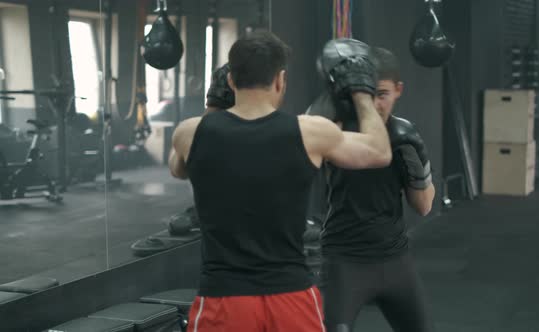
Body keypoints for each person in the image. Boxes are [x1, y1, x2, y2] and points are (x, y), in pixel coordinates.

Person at [168, 31, 392, 332]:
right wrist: (362, 93)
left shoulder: (189, 133)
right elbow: (379, 152)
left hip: (223, 300)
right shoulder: (311, 132)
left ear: (231, 81)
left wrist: (215, 106)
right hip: (291, 298)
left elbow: (180, 168)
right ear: (280, 80)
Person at [318, 47, 436, 332]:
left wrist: (417, 165)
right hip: (345, 263)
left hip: (396, 261)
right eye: (368, 96)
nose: (374, 105)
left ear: (398, 90)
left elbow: (423, 206)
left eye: (382, 94)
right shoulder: (336, 134)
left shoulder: (405, 136)